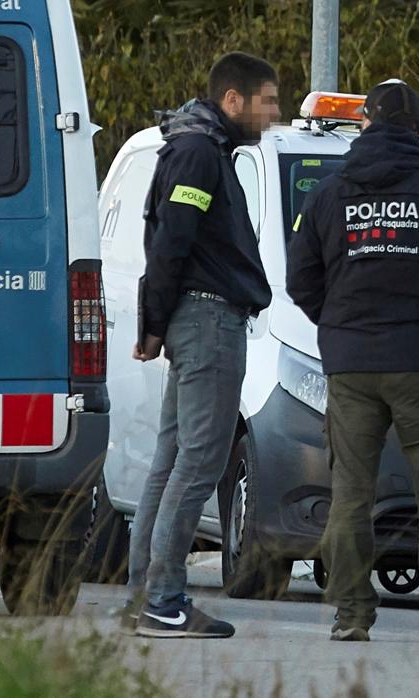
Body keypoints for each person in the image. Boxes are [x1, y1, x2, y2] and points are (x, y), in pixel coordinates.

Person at [285, 79, 419, 645]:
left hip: (351, 365)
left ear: (365, 124)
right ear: (418, 127)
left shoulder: (327, 195)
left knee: (352, 490)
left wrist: (340, 325)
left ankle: (350, 614)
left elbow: (300, 278)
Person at [125, 52, 280, 638]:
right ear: (233, 99)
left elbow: (174, 243)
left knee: (172, 462)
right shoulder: (197, 153)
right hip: (209, 321)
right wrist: (155, 321)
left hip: (196, 319)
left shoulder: (201, 149)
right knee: (198, 463)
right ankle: (163, 601)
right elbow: (172, 242)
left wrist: (160, 321)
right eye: (267, 101)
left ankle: (145, 596)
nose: (273, 114)